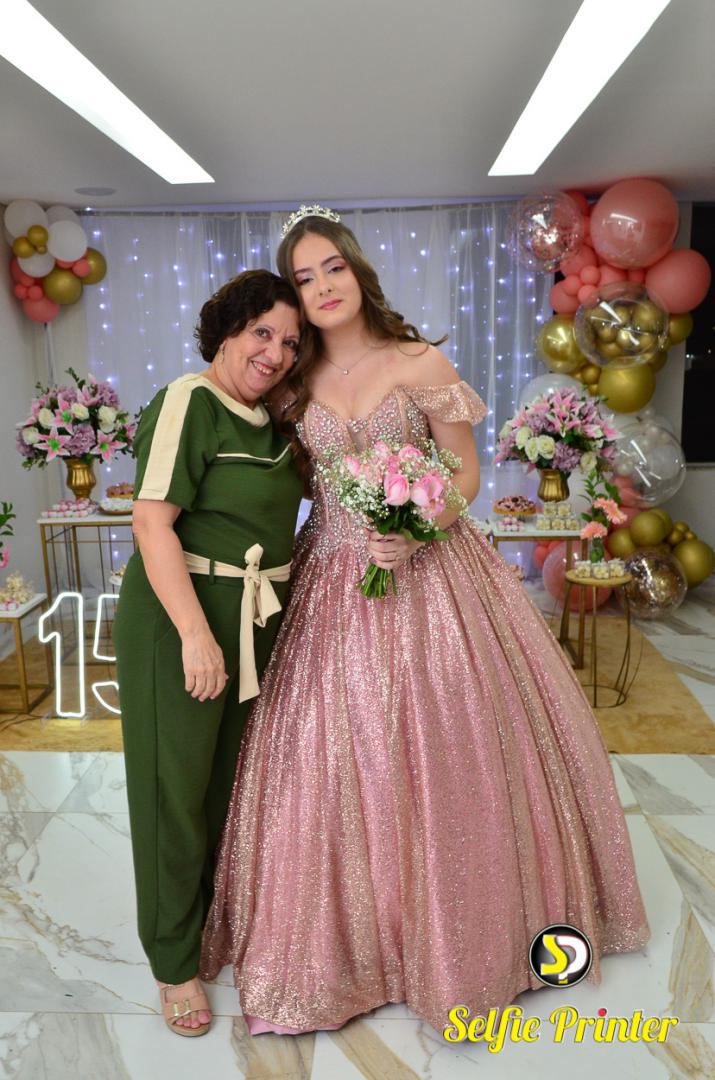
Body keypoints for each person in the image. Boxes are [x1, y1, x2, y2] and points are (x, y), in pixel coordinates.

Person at [200, 209, 650, 1035]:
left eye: (332, 268)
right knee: (334, 753)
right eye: (303, 278)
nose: (321, 287)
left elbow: (464, 472)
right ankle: (346, 948)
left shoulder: (419, 361)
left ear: (356, 270)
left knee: (450, 742)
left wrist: (416, 528)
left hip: (434, 572)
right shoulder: (292, 381)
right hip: (331, 577)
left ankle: (461, 936)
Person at [113, 269, 304, 1037]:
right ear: (226, 331)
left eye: (289, 342)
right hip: (181, 617)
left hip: (252, 620)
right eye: (261, 333)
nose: (274, 352)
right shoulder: (186, 402)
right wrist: (197, 635)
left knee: (225, 789)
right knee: (175, 792)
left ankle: (208, 927)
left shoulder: (271, 421)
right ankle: (172, 962)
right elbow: (151, 523)